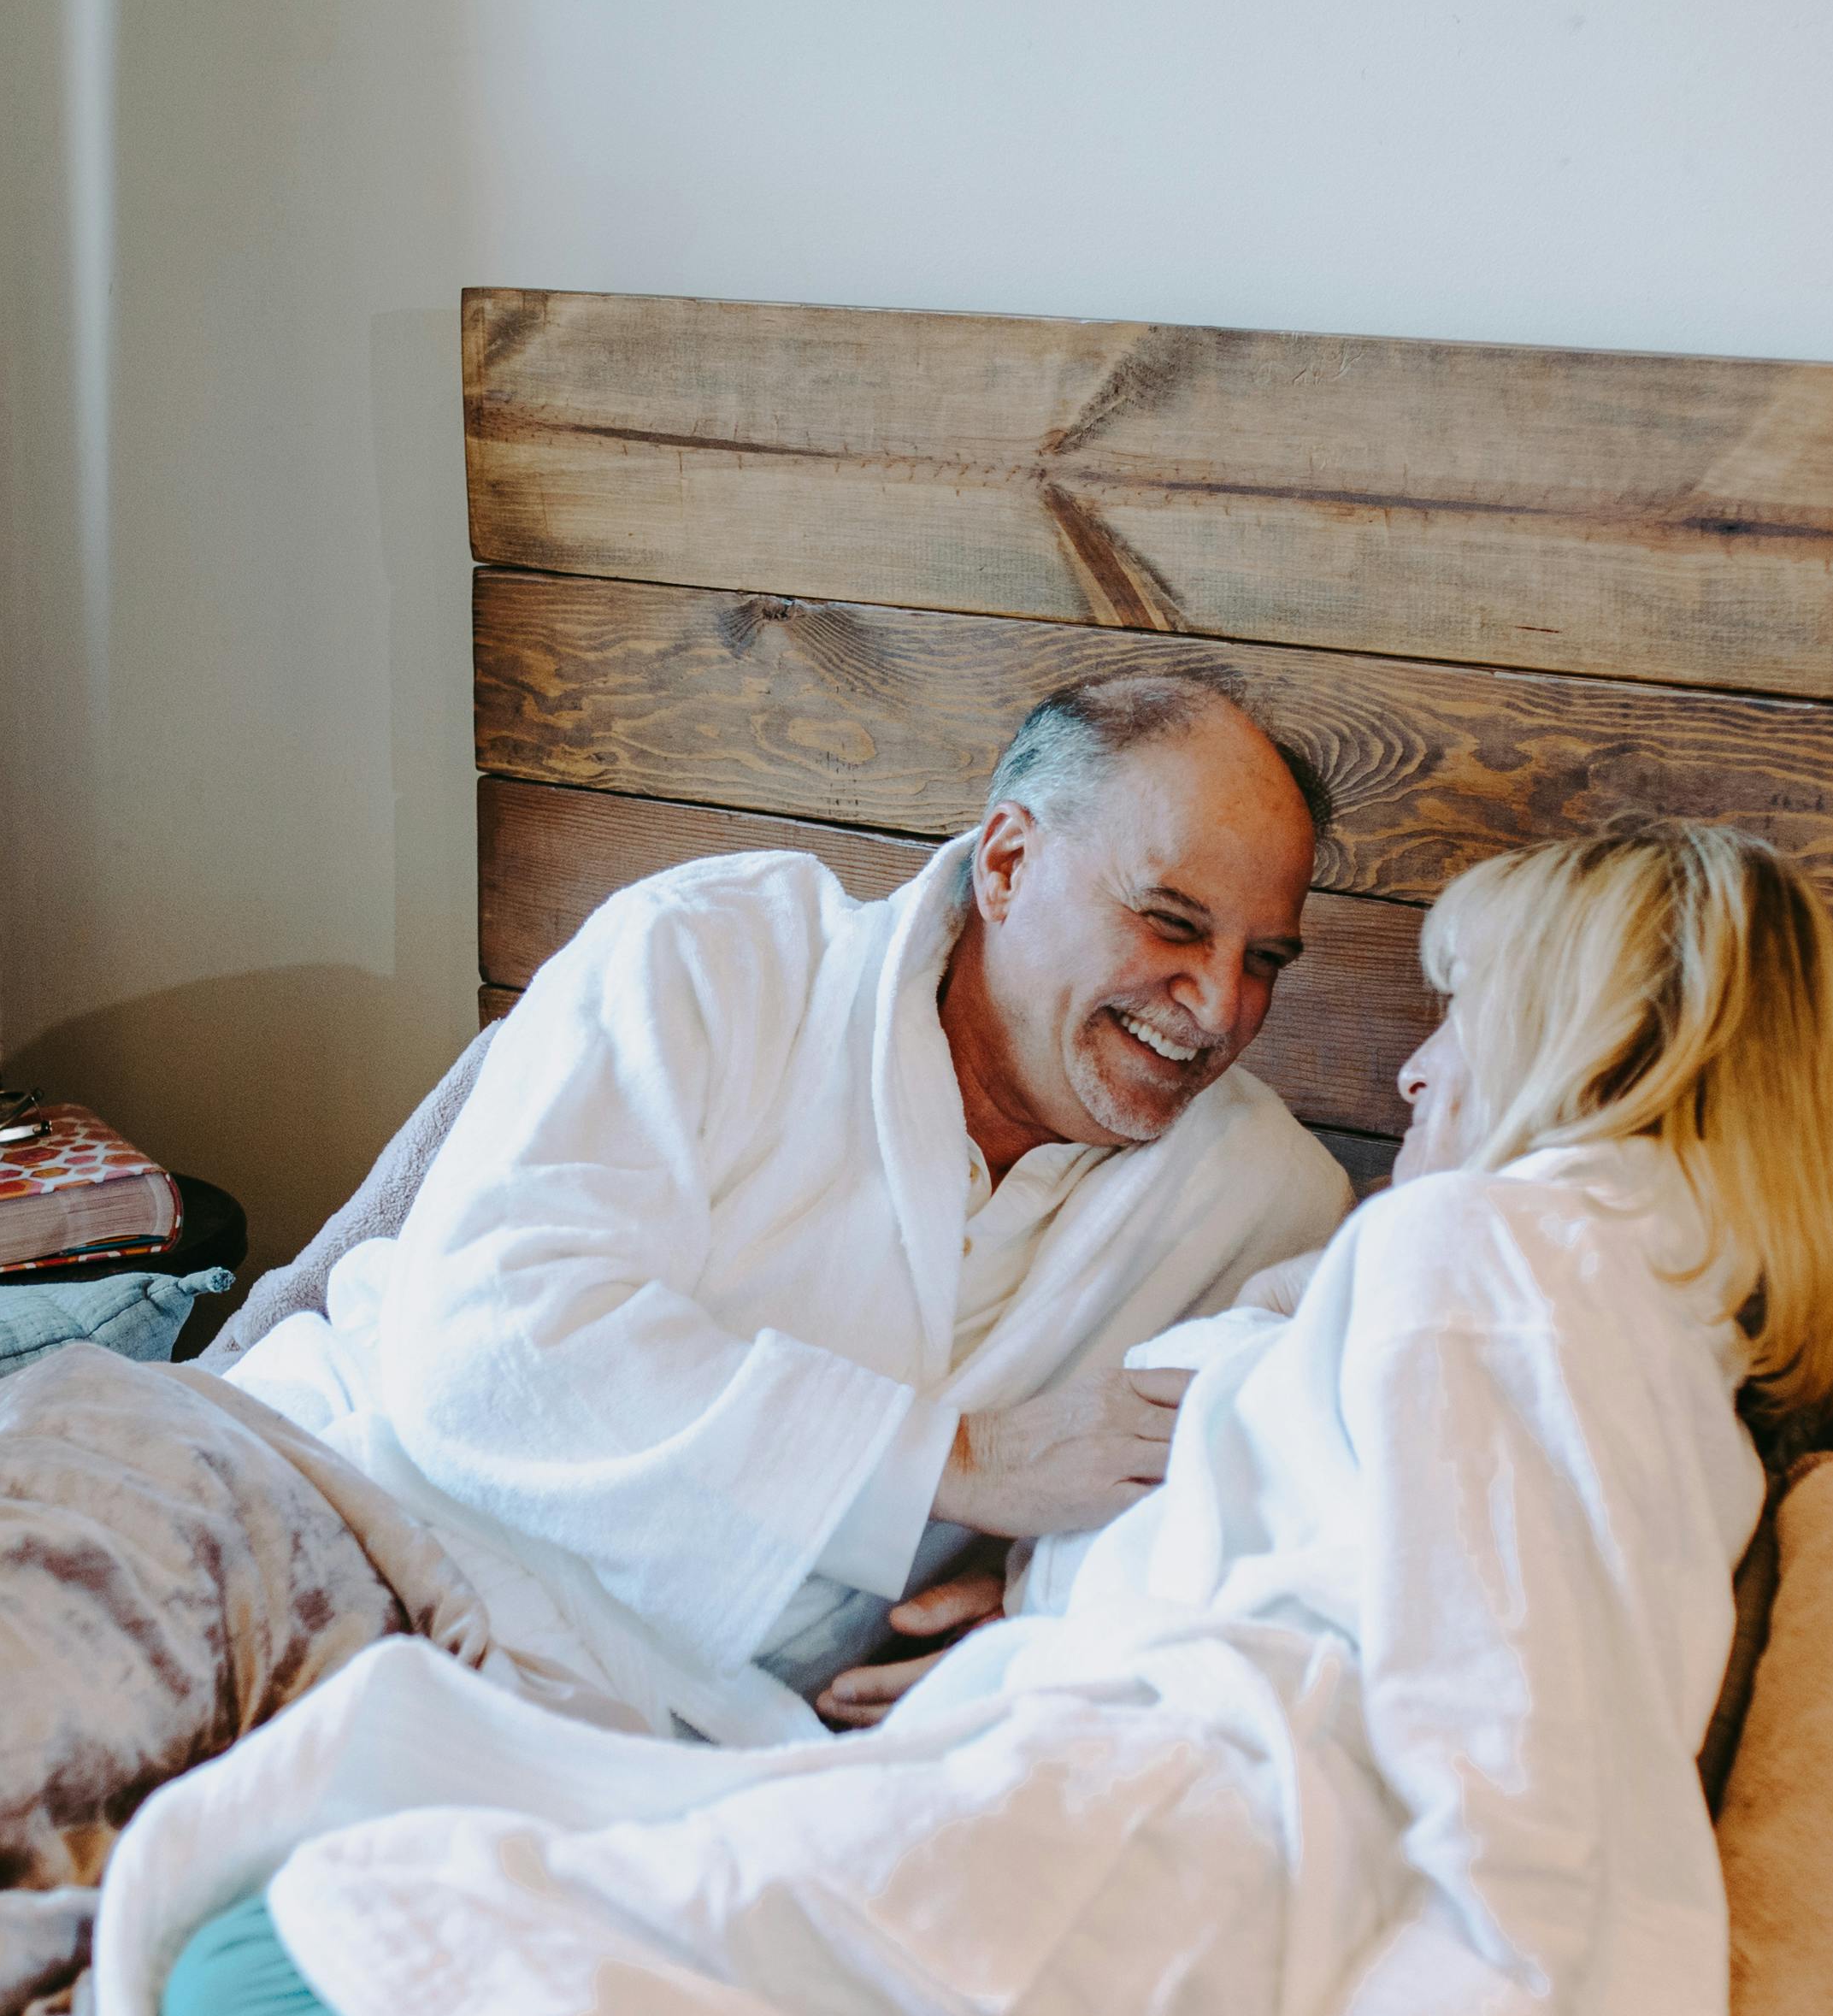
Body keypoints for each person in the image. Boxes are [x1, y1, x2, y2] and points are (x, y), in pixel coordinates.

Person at [96, 825, 1833, 2016]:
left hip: (1157, 1835)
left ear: (1597, 1039)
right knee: (452, 1934)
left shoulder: (1495, 1264)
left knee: (265, 1960)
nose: (1423, 1063)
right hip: (1140, 1808)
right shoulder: (1654, 1321)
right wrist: (1041, 1592)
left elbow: (1515, 1727)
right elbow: (1435, 1608)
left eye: (1466, 1012)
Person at [214, 674, 1352, 1744]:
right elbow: (488, 1347)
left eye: (1266, 962)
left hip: (668, 1739)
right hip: (328, 1515)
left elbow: (1270, 1532)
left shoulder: (1268, 1205)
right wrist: (954, 1459)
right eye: (1172, 923)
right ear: (1006, 864)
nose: (1216, 1008)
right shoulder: (715, 956)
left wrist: (1043, 1619)